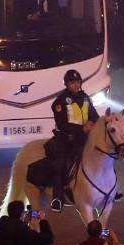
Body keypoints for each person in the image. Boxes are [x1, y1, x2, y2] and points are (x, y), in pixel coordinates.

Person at [49, 68, 99, 212]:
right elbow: (61, 124)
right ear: (66, 84)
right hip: (66, 139)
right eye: (72, 82)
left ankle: (109, 190)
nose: (76, 85)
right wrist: (81, 128)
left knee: (103, 156)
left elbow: (94, 115)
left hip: (84, 138)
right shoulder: (60, 101)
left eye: (78, 82)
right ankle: (57, 198)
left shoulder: (85, 97)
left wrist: (92, 123)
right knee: (59, 165)